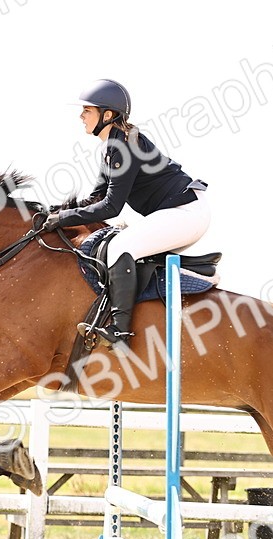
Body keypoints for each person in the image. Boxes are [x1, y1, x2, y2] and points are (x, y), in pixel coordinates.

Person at [44, 79, 210, 351]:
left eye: (88, 110)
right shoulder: (112, 144)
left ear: (107, 115)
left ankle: (121, 332)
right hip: (182, 212)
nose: (81, 116)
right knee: (121, 246)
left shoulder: (121, 146)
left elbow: (111, 207)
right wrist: (57, 212)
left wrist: (63, 220)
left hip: (186, 212)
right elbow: (96, 198)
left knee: (120, 246)